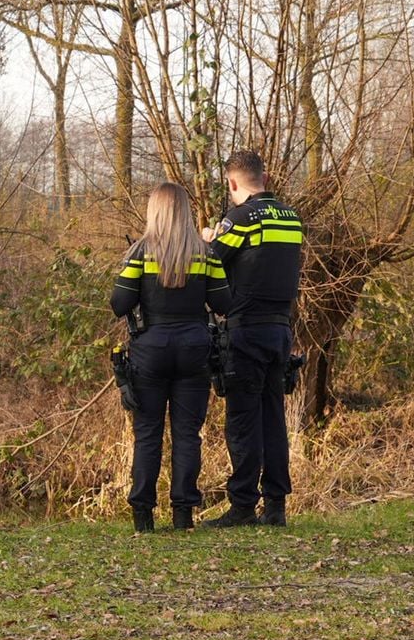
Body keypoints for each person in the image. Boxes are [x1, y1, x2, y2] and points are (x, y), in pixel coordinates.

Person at [112, 182, 232, 532]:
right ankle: (183, 515)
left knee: (147, 433)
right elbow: (224, 304)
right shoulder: (205, 254)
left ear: (155, 212)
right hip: (194, 348)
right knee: (187, 434)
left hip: (150, 350)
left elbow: (119, 304)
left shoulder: (140, 253)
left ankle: (143, 518)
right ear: (186, 212)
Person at [201, 150, 303, 527]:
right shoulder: (292, 218)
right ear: (266, 177)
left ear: (232, 183)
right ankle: (276, 506)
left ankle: (243, 504)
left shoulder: (240, 218)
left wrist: (210, 237)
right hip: (281, 330)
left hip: (246, 329)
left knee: (243, 420)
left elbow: (211, 262)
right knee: (273, 417)